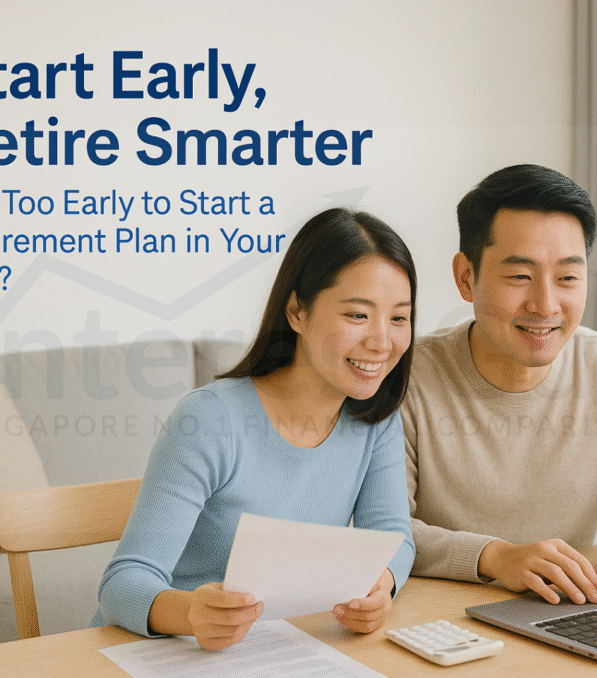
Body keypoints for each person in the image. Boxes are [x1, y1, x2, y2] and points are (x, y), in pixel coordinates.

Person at [92, 208, 417, 650]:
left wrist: (381, 585)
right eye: (358, 315)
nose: (381, 341)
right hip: (164, 652)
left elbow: (393, 538)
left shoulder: (375, 421)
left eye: (399, 318)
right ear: (297, 311)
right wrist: (191, 613)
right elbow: (123, 582)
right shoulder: (211, 420)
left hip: (274, 651)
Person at [403, 164, 597, 607]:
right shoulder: (408, 376)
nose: (545, 305)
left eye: (567, 278)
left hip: (566, 609)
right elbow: (386, 529)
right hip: (436, 618)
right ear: (466, 277)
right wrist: (496, 557)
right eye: (520, 277)